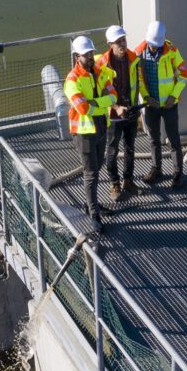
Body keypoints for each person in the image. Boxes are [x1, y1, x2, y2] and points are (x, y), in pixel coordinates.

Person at [64, 35, 118, 231]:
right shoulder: (72, 80)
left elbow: (113, 95)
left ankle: (91, 205)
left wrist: (98, 102)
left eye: (92, 53)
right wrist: (101, 102)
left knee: (98, 166)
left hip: (101, 126)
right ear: (77, 56)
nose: (91, 57)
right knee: (91, 173)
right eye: (87, 55)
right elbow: (83, 109)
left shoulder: (100, 72)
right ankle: (93, 214)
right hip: (84, 132)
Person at [136, 21, 187, 189]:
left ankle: (178, 173)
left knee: (174, 139)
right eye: (151, 45)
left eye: (156, 45)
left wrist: (173, 96)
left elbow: (184, 74)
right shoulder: (138, 54)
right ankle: (156, 169)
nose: (153, 48)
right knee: (154, 139)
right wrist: (145, 97)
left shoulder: (172, 51)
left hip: (169, 105)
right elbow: (138, 80)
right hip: (151, 105)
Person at [97, 25, 141, 201]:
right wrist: (116, 108)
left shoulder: (133, 58)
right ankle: (114, 183)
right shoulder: (102, 64)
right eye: (118, 42)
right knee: (112, 150)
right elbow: (101, 91)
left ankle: (128, 181)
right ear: (110, 44)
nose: (122, 44)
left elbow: (138, 83)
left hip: (130, 111)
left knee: (130, 148)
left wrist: (136, 109)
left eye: (123, 40)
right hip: (114, 115)